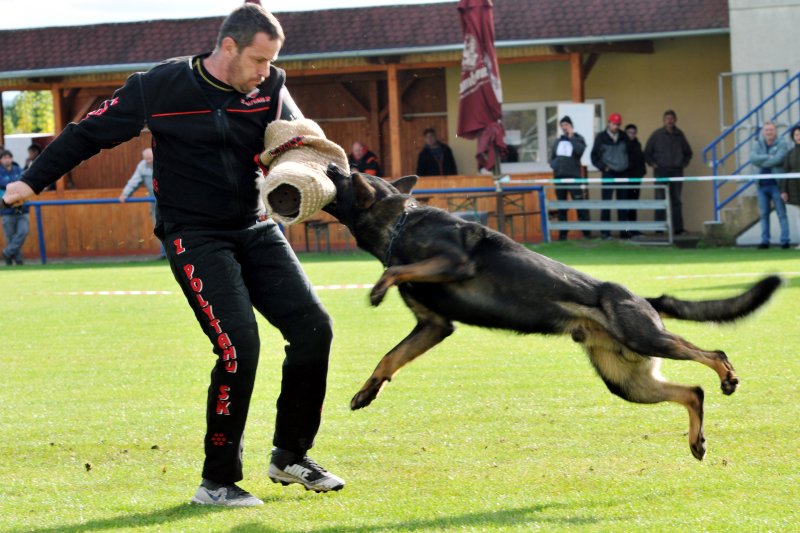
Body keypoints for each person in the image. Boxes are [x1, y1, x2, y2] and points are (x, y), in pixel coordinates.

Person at [2, 4, 344, 506]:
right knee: (238, 347)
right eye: (258, 59)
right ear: (228, 47)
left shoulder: (271, 87)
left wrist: (314, 170)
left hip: (256, 226)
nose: (265, 72)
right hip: (194, 234)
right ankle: (218, 483)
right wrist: (30, 182)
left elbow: (302, 140)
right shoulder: (157, 86)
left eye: (272, 62)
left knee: (315, 330)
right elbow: (86, 134)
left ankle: (291, 454)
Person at [644, 110, 692, 236]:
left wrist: (684, 163)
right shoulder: (657, 135)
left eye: (671, 118)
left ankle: (678, 229)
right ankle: (659, 229)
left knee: (676, 200)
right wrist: (652, 164)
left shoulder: (680, 135)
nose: (669, 121)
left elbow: (688, 152)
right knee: (660, 200)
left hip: (676, 171)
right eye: (667, 118)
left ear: (675, 120)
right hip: (661, 171)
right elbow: (647, 153)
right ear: (663, 120)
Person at [549, 115, 590, 240]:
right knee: (562, 206)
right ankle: (563, 235)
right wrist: (555, 165)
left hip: (573, 176)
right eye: (562, 125)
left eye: (566, 125)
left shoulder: (579, 139)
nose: (564, 127)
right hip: (559, 177)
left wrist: (571, 137)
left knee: (579, 204)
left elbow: (579, 151)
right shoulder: (558, 141)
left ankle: (586, 233)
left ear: (571, 126)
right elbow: (552, 157)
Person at [590, 112, 630, 239]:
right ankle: (605, 233)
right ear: (609, 123)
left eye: (618, 124)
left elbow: (631, 153)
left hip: (623, 173)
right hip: (608, 173)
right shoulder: (601, 137)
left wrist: (627, 166)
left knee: (622, 203)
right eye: (614, 124)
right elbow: (594, 156)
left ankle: (624, 232)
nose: (616, 126)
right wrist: (603, 167)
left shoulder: (624, 136)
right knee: (606, 203)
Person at [750, 121, 789, 249]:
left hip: (776, 184)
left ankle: (785, 241)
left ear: (775, 131)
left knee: (781, 213)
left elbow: (779, 159)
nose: (769, 132)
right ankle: (765, 241)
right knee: (764, 214)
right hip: (761, 185)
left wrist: (761, 162)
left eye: (771, 130)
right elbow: (752, 159)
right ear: (763, 132)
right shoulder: (758, 144)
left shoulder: (782, 143)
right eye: (766, 130)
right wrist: (768, 156)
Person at [0, 149, 29, 265]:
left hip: (21, 207)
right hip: (6, 209)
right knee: (10, 236)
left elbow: (25, 182)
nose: (7, 159)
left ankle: (7, 252)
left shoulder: (18, 170)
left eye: (9, 157)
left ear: (11, 158)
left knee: (23, 231)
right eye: (4, 157)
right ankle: (16, 259)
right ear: (1, 160)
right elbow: (7, 185)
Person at [119, 147, 156, 223]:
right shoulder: (142, 166)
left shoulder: (162, 163)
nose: (149, 161)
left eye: (151, 159)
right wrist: (125, 194)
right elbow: (134, 181)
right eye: (147, 159)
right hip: (153, 200)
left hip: (168, 199)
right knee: (156, 223)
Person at [624, 123, 646, 237]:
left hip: (636, 179)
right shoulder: (623, 145)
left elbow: (640, 161)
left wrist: (642, 173)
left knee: (634, 204)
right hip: (626, 179)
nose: (632, 135)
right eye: (629, 132)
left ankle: (634, 229)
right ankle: (626, 230)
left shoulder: (637, 145)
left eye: (634, 133)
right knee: (626, 205)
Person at [782, 125, 800, 249]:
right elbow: (785, 172)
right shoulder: (790, 154)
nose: (798, 137)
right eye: (796, 135)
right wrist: (783, 190)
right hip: (795, 188)